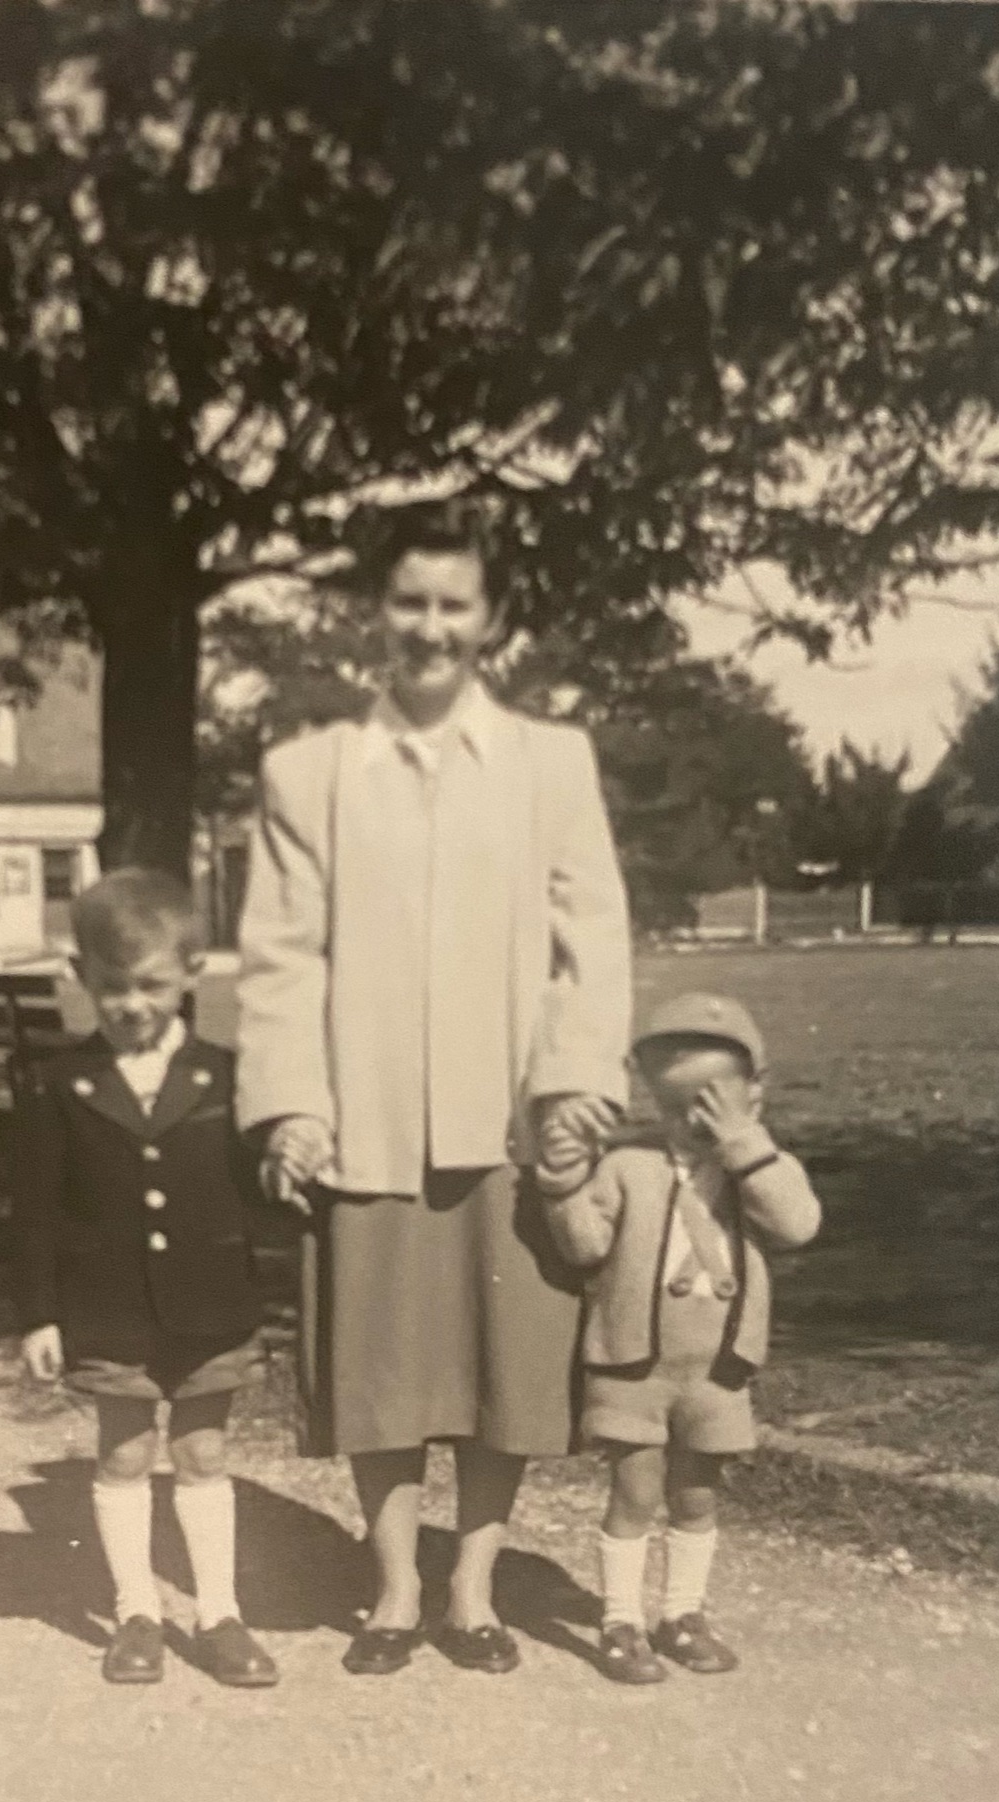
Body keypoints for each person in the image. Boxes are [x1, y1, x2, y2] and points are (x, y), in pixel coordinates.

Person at [236, 499, 633, 1677]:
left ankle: (473, 1586)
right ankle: (395, 1584)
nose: (428, 626)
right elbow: (278, 954)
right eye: (407, 601)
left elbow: (592, 936)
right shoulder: (307, 773)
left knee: (502, 1365)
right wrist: (292, 1102)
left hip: (507, 1117)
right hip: (364, 1117)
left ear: (489, 618)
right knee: (382, 1366)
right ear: (374, 612)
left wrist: (571, 1082)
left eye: (452, 603)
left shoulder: (547, 762)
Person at [12, 868, 277, 1688]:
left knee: (202, 1452)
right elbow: (35, 1209)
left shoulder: (226, 1076)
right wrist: (39, 1315)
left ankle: (219, 1613)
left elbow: (253, 1187)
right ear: (81, 979)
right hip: (109, 1309)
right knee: (124, 1456)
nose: (131, 1004)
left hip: (210, 1304)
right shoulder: (60, 1083)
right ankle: (135, 1612)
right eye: (112, 987)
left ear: (193, 973)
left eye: (152, 985)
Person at [536, 992, 822, 1684]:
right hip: (632, 1366)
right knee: (634, 1492)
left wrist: (743, 1145)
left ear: (755, 1095)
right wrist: (561, 1179)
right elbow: (581, 1246)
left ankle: (682, 1612)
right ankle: (619, 1620)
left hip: (716, 1371)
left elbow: (796, 1226)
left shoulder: (758, 1168)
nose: (692, 1125)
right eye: (674, 1110)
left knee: (697, 1495)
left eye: (710, 1107)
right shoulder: (628, 1167)